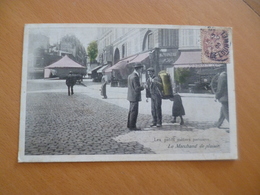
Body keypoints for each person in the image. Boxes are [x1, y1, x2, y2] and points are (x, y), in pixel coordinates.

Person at [127, 63, 144, 131]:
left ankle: (129, 125)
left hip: (130, 96)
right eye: (141, 69)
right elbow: (137, 88)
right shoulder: (135, 77)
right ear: (138, 69)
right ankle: (132, 126)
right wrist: (143, 87)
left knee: (131, 111)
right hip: (134, 97)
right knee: (134, 112)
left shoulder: (130, 76)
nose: (141, 70)